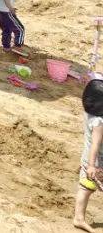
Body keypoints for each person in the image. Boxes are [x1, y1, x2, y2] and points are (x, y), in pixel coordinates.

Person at [75, 79, 103, 232]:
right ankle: (79, 219)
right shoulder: (99, 122)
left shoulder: (89, 112)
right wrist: (92, 165)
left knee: (85, 187)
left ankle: (79, 218)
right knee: (87, 188)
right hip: (96, 162)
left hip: (87, 157)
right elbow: (95, 145)